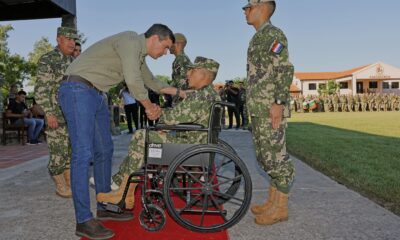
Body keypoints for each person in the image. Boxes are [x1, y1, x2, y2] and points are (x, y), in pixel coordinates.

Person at [58, 24, 185, 239]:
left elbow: (151, 82)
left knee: (105, 150)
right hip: (77, 89)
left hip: (96, 94)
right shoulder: (130, 41)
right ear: (154, 38)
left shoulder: (139, 56)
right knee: (83, 154)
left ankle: (104, 203)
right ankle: (83, 220)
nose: (165, 53)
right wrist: (148, 106)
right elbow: (134, 81)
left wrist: (182, 92)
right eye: (165, 47)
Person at [96, 56, 221, 209]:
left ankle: (123, 190)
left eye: (192, 70)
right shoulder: (209, 94)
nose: (188, 74)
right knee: (147, 135)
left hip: (190, 147)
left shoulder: (200, 96)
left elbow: (173, 117)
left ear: (203, 74)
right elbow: (181, 115)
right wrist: (164, 119)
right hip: (196, 143)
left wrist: (157, 112)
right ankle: (120, 184)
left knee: (142, 136)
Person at [243, 0, 295, 225]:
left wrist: (278, 103)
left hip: (269, 107)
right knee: (265, 157)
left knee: (276, 156)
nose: (245, 11)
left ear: (263, 7)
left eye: (249, 6)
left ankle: (280, 209)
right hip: (259, 108)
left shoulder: (273, 34)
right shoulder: (258, 37)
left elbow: (284, 69)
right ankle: (273, 202)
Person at [35, 26, 78, 198]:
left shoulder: (72, 61)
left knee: (69, 149)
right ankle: (60, 185)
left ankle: (69, 181)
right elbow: (41, 89)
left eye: (73, 39)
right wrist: (49, 113)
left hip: (71, 114)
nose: (72, 43)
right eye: (68, 39)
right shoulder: (48, 59)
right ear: (58, 39)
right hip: (56, 114)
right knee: (58, 150)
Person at [166, 33, 192, 107]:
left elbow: (183, 83)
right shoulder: (181, 59)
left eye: (171, 43)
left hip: (181, 101)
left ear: (178, 44)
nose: (168, 46)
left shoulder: (180, 59)